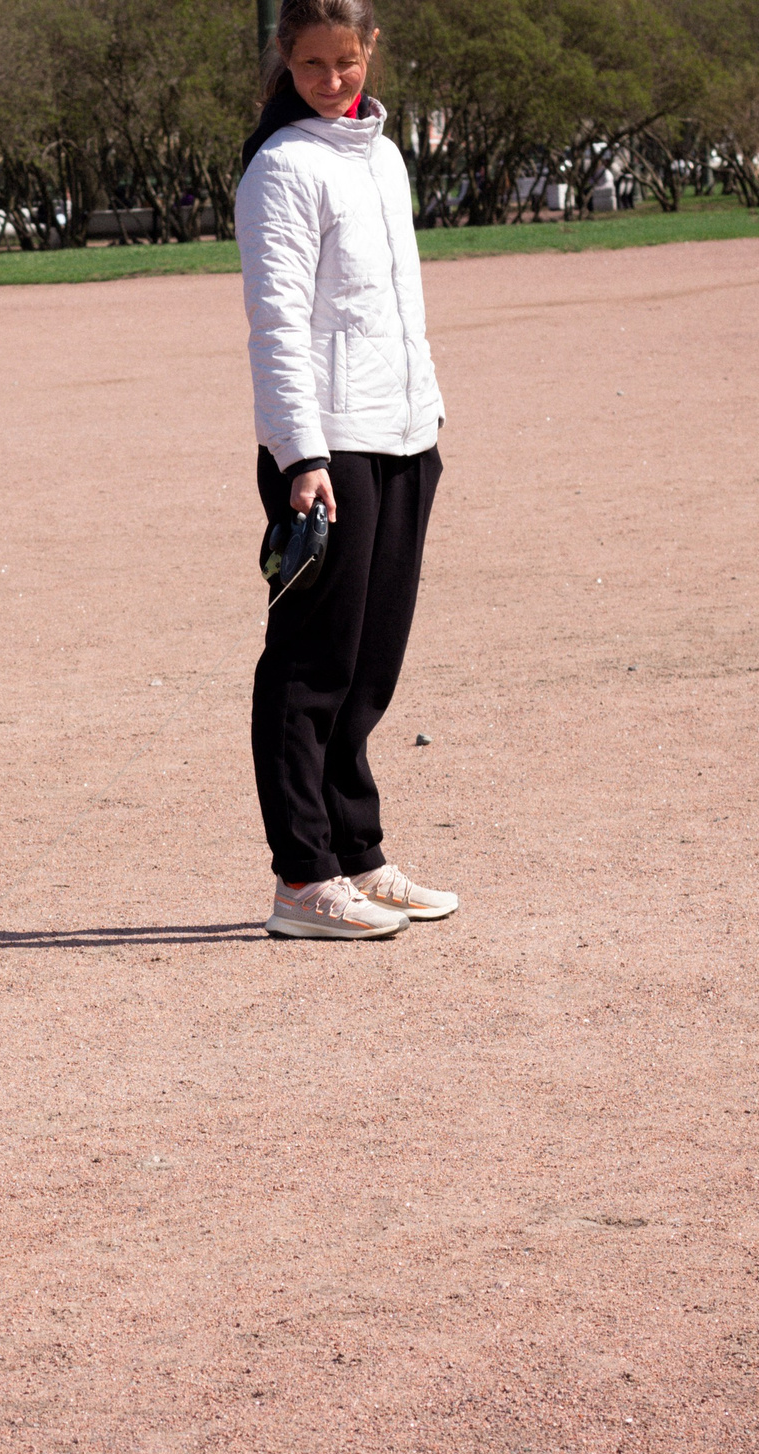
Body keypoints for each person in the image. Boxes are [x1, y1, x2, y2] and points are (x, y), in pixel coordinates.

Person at [236, 0, 456, 941]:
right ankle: (302, 878)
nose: (332, 79)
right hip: (326, 452)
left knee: (372, 668)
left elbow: (397, 303)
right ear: (286, 59)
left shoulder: (387, 154)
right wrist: (302, 455)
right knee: (312, 665)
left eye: (347, 60)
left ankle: (357, 853)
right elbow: (279, 324)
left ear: (371, 50)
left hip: (405, 436)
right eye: (314, 63)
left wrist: (429, 415)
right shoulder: (281, 168)